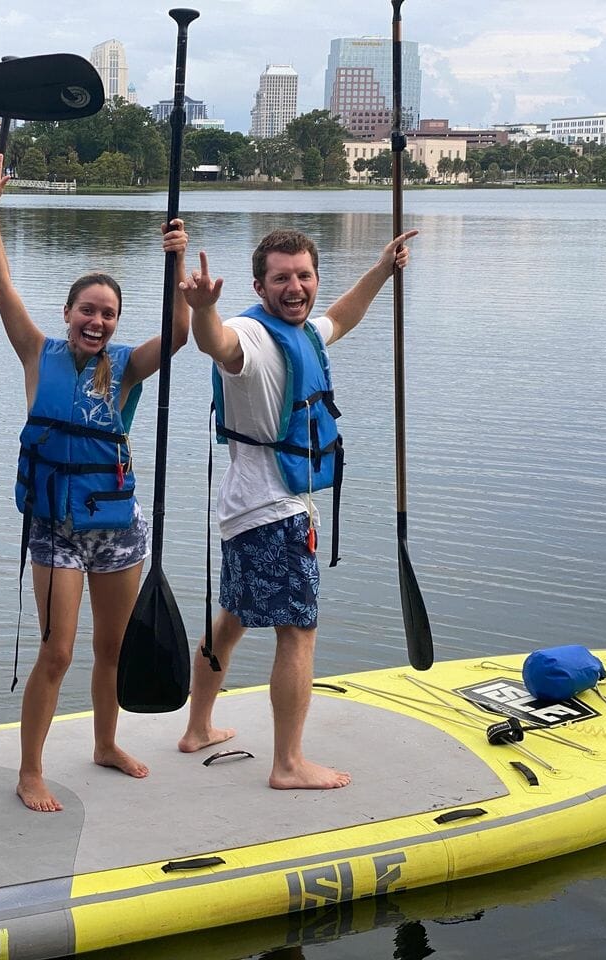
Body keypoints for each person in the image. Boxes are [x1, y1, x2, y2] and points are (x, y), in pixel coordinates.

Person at [0, 150, 190, 813]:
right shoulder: (36, 352)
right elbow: (3, 286)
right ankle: (30, 770)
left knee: (112, 648)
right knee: (58, 651)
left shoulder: (125, 368)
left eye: (108, 314)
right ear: (68, 312)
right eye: (87, 311)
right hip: (55, 528)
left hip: (117, 530)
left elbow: (178, 336)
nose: (97, 322)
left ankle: (105, 744)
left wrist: (177, 262)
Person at [175, 227, 418, 790]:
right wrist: (203, 310)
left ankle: (198, 728)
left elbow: (341, 318)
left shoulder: (303, 332)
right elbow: (217, 344)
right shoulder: (249, 336)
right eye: (281, 277)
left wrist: (381, 269)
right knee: (298, 632)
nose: (295, 287)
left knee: (231, 620)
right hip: (274, 512)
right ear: (259, 286)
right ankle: (288, 764)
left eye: (304, 276)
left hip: (244, 509)